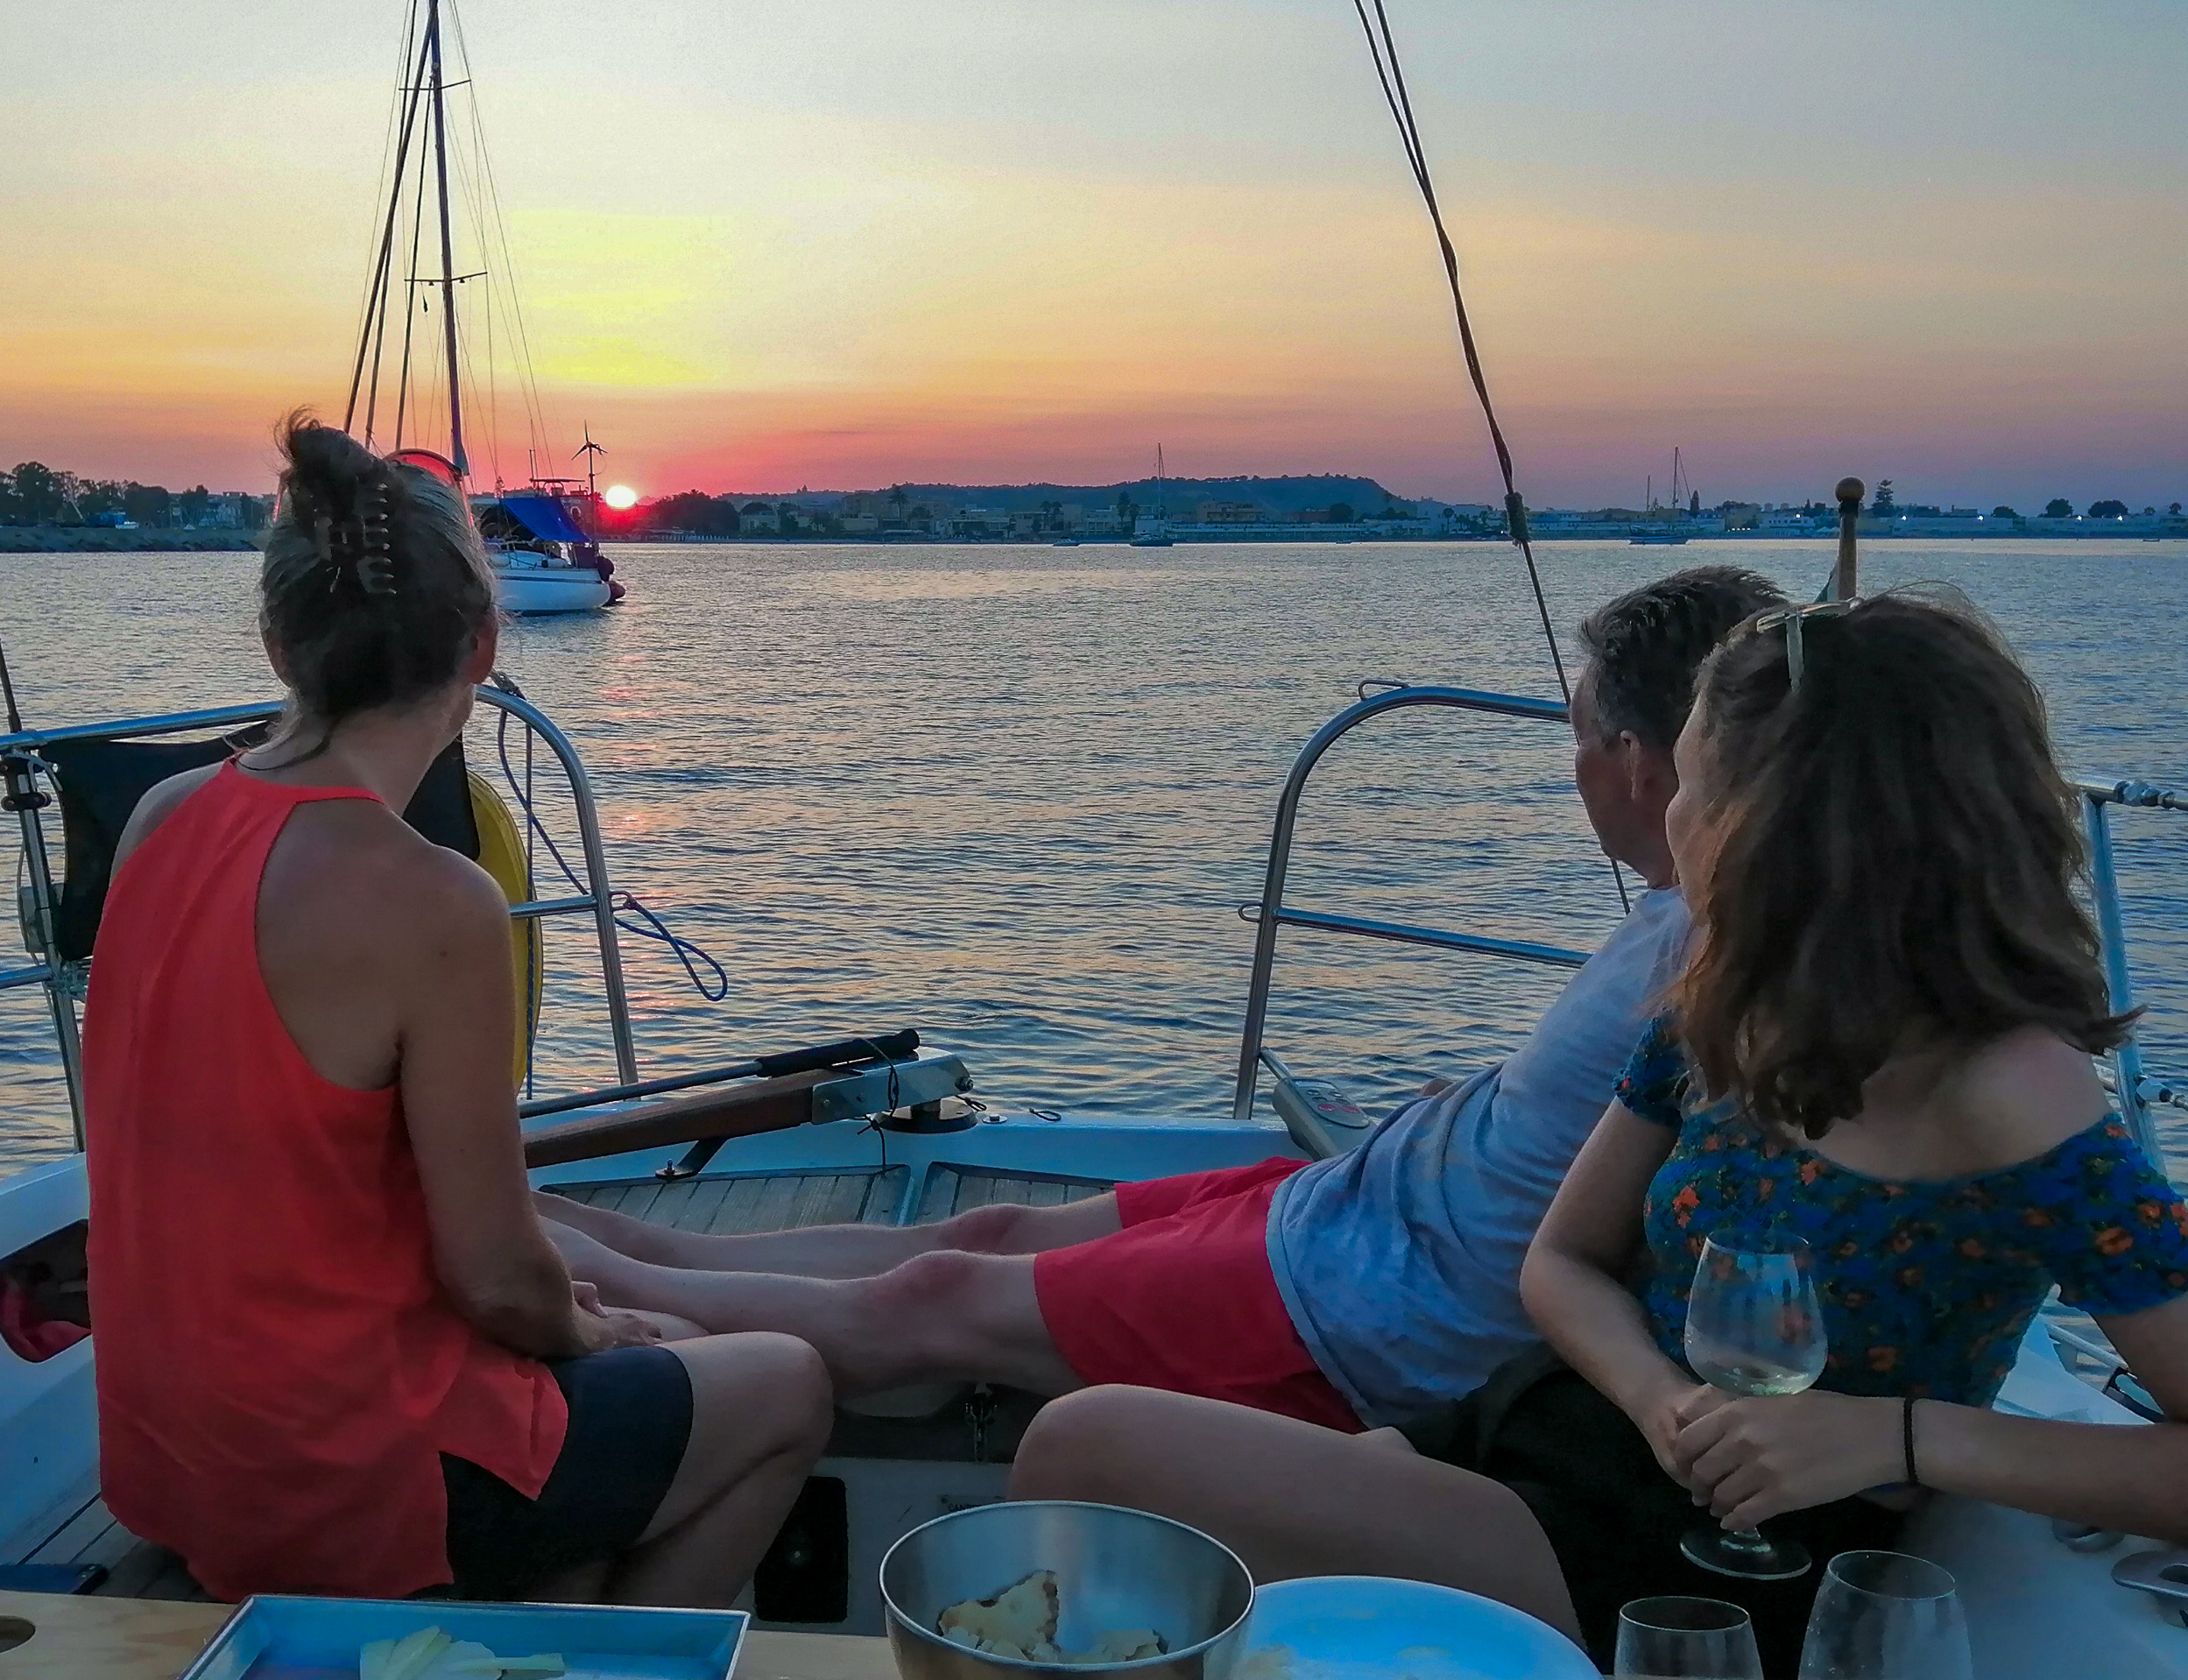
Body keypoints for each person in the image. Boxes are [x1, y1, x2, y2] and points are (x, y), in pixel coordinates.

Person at [1006, 590, 2188, 1671]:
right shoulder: (1722, 1007)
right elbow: (1562, 1263)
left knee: (1088, 1445)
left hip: (1696, 1564)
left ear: (1782, 823)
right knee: (1127, 1495)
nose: (1671, 817)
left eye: (1692, 785)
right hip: (1548, 1439)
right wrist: (1661, 1397)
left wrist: (1898, 1438)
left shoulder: (2012, 1094)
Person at [552, 566, 1786, 1426]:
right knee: (987, 1235)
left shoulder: (1723, 952)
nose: (1572, 769)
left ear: (1641, 763)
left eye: (1578, 737)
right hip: (1355, 1210)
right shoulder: (1696, 908)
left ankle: (620, 1297)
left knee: (939, 1299)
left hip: (1360, 1311)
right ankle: (658, 1254)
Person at [81, 416, 830, 1607]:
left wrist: (566, 1316)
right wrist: (592, 1328)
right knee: (784, 1382)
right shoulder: (432, 900)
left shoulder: (163, 817)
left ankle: (536, 1651)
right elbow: (494, 1278)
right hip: (338, 1470)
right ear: (481, 643)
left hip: (174, 1449)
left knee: (587, 1506)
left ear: (277, 643)